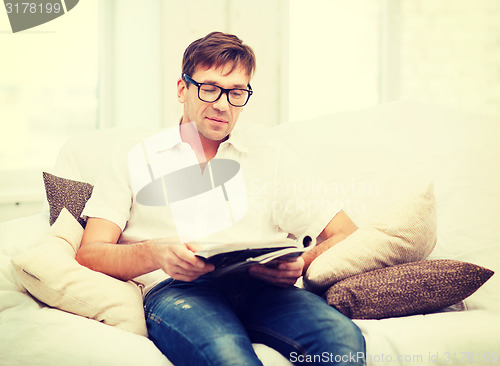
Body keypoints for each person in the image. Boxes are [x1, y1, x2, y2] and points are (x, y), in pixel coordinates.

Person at [77, 31, 366, 366]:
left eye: (236, 93)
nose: (222, 104)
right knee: (229, 358)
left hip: (265, 291)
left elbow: (346, 233)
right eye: (210, 88)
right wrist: (155, 253)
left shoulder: (270, 154)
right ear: (182, 89)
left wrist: (301, 263)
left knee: (344, 341)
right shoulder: (135, 155)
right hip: (179, 291)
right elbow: (90, 253)